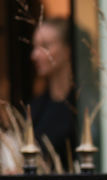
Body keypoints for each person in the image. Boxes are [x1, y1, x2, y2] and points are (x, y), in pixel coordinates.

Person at [29, 18, 77, 171]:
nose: (35, 55)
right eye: (35, 47)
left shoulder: (82, 104)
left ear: (68, 49)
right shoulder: (35, 109)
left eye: (45, 46)